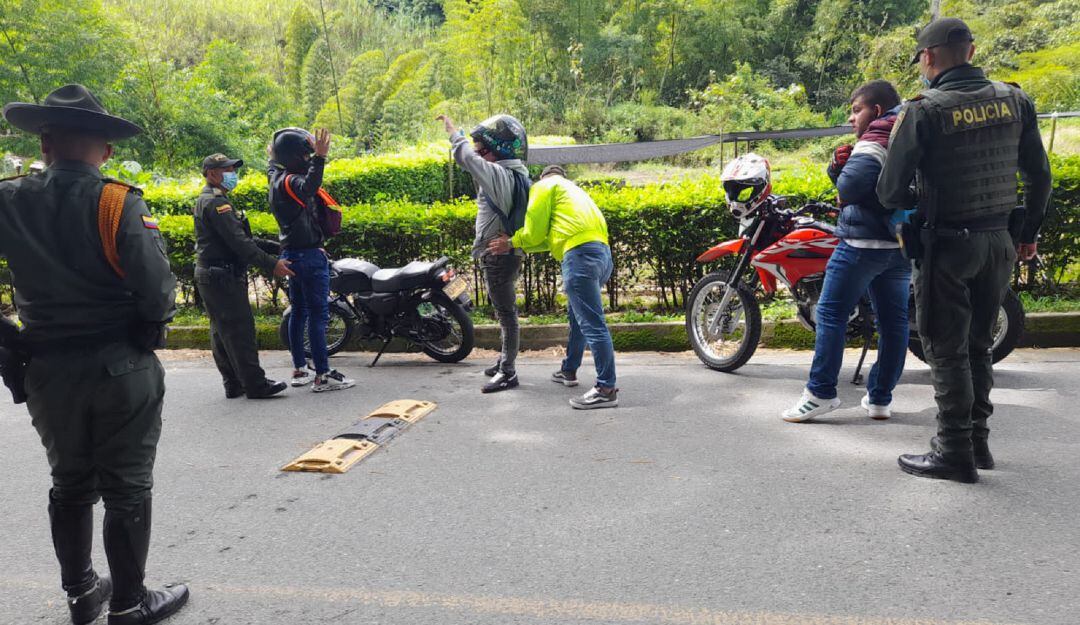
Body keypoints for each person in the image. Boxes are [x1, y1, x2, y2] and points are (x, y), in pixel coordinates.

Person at [0, 84, 189, 624]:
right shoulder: (117, 201)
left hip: (45, 369)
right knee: (127, 487)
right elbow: (156, 295)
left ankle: (82, 593)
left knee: (69, 483)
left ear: (44, 145)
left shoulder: (8, 199)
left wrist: (6, 331)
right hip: (121, 366)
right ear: (105, 149)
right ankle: (129, 604)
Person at [877, 18, 1052, 483]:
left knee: (946, 347)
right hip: (999, 242)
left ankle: (952, 450)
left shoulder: (924, 110)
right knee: (978, 344)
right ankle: (978, 442)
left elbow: (890, 190)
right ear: (970, 51)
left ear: (928, 57)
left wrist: (912, 206)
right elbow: (1040, 176)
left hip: (948, 245)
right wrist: (1028, 233)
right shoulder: (1015, 100)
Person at [782, 80, 910, 423]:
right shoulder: (909, 126)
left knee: (831, 313)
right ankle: (881, 398)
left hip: (862, 244)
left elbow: (851, 188)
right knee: (894, 321)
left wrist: (840, 173)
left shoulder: (878, 134)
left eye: (857, 111)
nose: (852, 119)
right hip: (900, 243)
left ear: (877, 110)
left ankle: (820, 392)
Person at [488, 166, 618, 409]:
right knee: (579, 317)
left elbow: (534, 231)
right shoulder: (573, 191)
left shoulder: (543, 187)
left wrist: (513, 241)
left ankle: (606, 388)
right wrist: (520, 246)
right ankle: (568, 371)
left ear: (543, 177)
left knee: (592, 323)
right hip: (601, 256)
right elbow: (547, 239)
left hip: (580, 256)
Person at [437, 113, 531, 394]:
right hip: (505, 254)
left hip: (500, 257)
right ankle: (504, 359)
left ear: (497, 151)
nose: (479, 154)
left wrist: (454, 134)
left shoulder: (500, 174)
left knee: (506, 314)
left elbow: (467, 159)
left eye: (484, 150)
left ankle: (508, 372)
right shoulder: (516, 172)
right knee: (504, 312)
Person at [195, 153, 294, 399]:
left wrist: (276, 247)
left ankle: (234, 383)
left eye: (232, 169)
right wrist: (273, 265)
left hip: (211, 274)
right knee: (239, 330)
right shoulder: (217, 204)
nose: (231, 174)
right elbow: (240, 244)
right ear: (211, 173)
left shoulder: (209, 199)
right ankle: (255, 385)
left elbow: (243, 239)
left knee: (221, 331)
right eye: (226, 169)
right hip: (222, 276)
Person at [268, 127, 354, 392]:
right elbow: (309, 188)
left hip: (291, 254)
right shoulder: (292, 181)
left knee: (299, 311)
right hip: (308, 255)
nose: (308, 159)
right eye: (305, 155)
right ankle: (323, 375)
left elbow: (271, 166)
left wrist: (272, 157)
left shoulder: (275, 177)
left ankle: (300, 368)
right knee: (318, 315)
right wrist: (320, 158)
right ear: (294, 157)